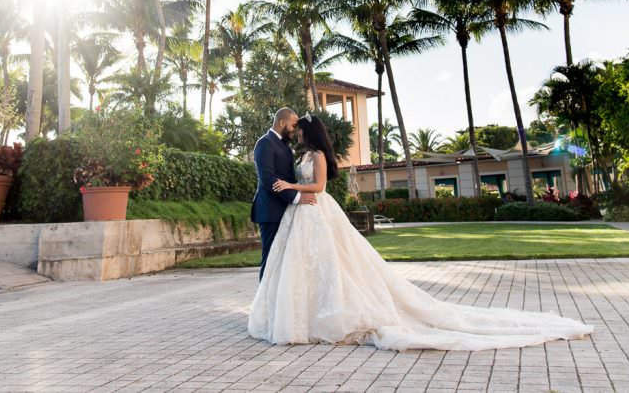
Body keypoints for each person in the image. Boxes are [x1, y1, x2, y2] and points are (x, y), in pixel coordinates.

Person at [247, 112, 593, 351]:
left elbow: (319, 187)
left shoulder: (317, 155)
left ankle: (318, 316)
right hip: (301, 213)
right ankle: (295, 314)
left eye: (299, 129)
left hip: (314, 210)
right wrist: (295, 191)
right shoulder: (293, 150)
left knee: (330, 265)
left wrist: (293, 188)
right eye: (294, 127)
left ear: (308, 132)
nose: (296, 132)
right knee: (303, 266)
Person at [250, 107, 316, 280]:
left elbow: (289, 178)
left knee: (285, 261)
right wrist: (297, 197)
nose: (295, 129)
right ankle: (264, 304)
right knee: (271, 259)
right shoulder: (264, 143)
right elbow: (268, 179)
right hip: (270, 212)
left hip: (286, 210)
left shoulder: (285, 146)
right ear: (281, 122)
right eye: (293, 125)